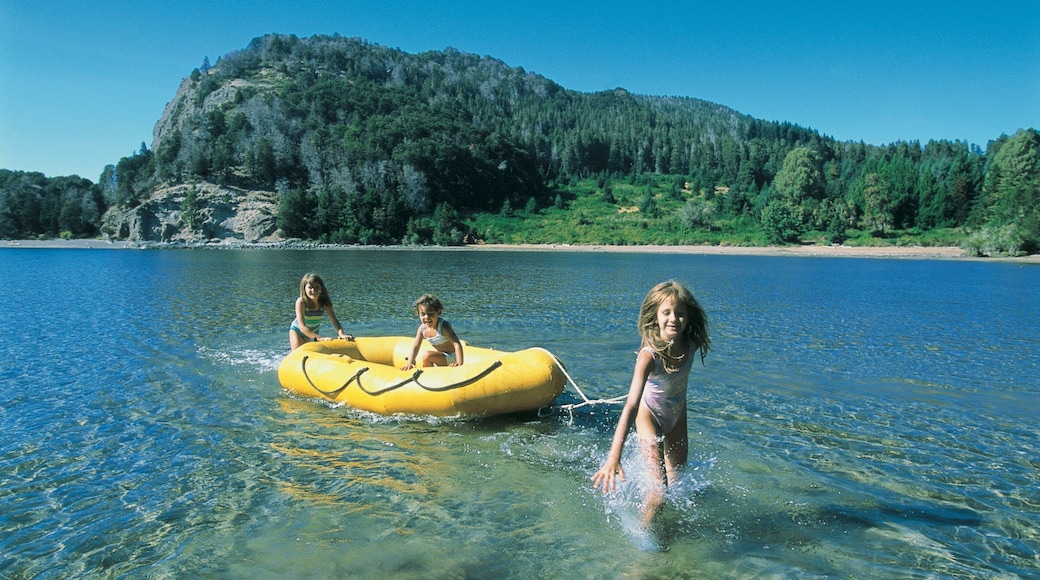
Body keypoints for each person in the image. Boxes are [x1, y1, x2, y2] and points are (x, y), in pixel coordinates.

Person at [591, 280, 710, 532]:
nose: (673, 319)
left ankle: (670, 531)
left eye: (680, 313)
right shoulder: (649, 356)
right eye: (666, 312)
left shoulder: (691, 344)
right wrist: (614, 457)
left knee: (678, 483)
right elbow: (631, 405)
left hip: (677, 416)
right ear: (655, 317)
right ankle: (642, 536)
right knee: (659, 494)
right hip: (649, 416)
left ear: (688, 318)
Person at [288, 273, 353, 350]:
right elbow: (302, 326)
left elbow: (334, 320)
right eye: (310, 287)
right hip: (298, 332)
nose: (313, 290)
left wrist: (341, 334)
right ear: (304, 289)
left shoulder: (324, 302)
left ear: (321, 288)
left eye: (316, 287)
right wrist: (320, 338)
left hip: (313, 332)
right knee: (298, 354)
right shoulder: (301, 302)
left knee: (309, 354)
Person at [401, 294, 464, 369]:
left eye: (431, 314)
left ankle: (429, 375)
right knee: (426, 357)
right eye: (423, 314)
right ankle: (430, 376)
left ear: (439, 312)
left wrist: (459, 363)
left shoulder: (443, 327)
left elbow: (456, 344)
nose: (427, 317)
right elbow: (416, 346)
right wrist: (410, 363)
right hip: (442, 356)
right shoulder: (422, 329)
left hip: (452, 357)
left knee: (427, 355)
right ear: (418, 314)